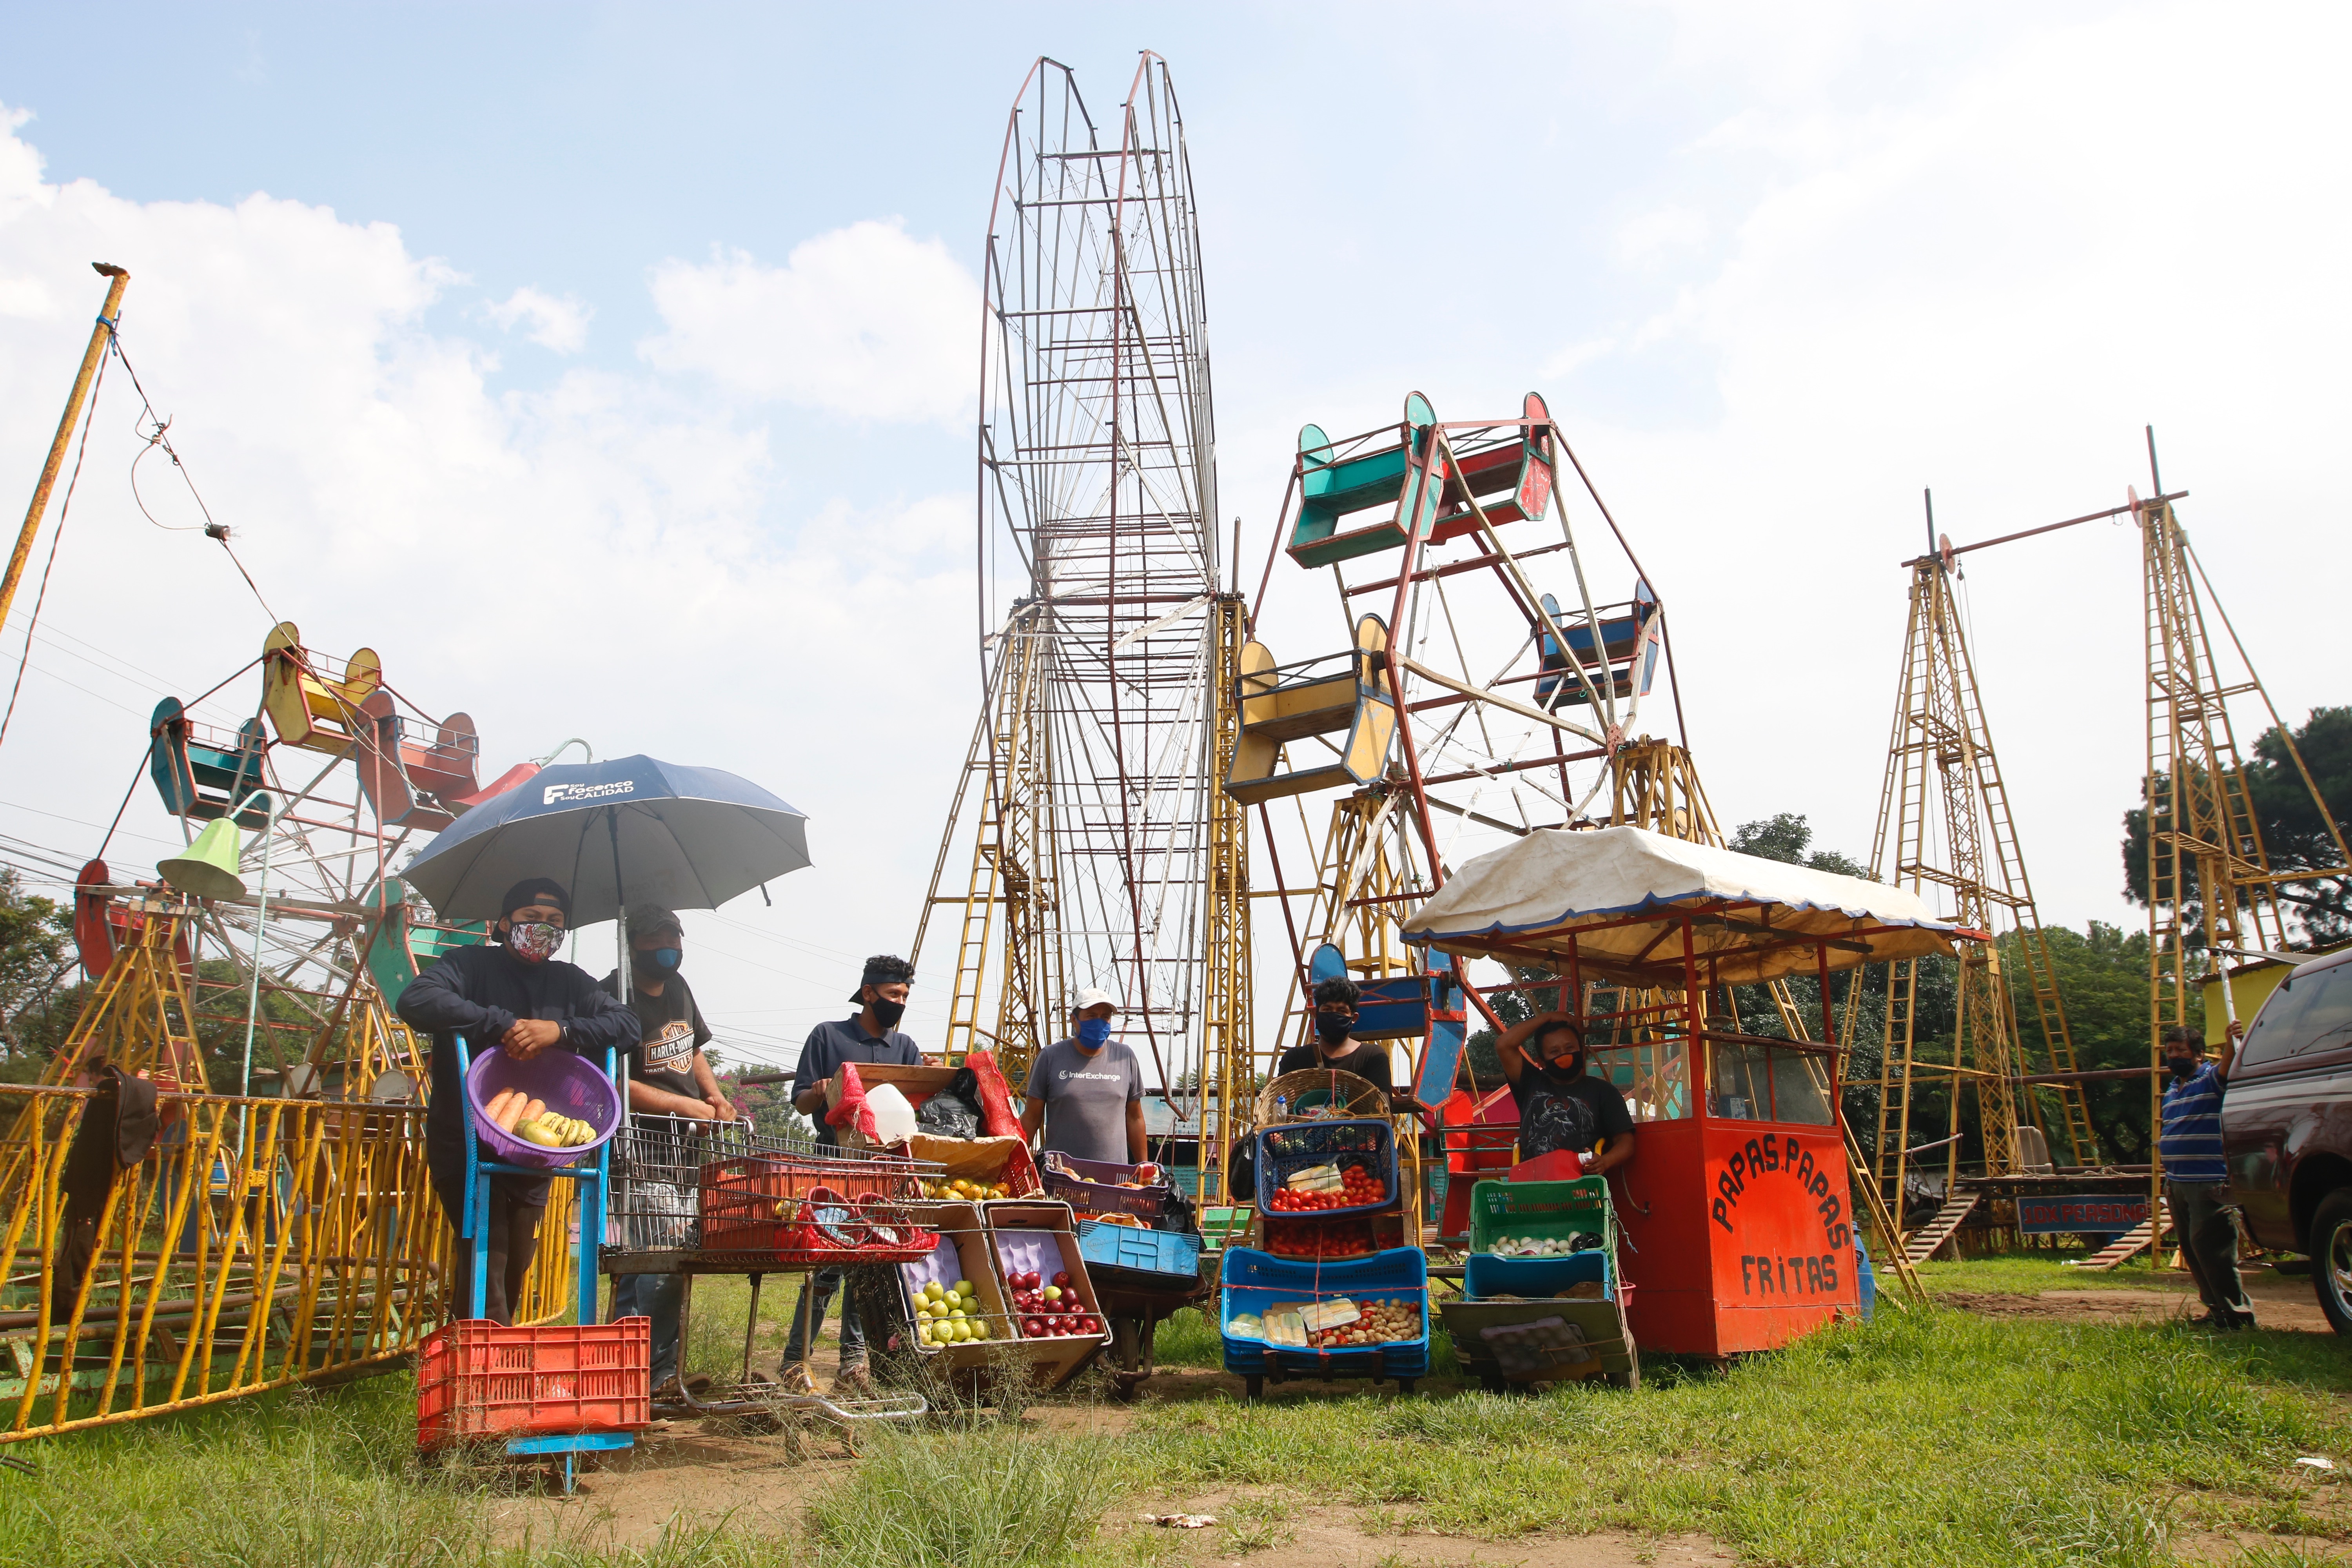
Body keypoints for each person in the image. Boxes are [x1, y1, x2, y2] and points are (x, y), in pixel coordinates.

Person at [397, 877, 639, 1325]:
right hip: (466, 1137)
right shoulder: (468, 966)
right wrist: (501, 1024)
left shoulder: (570, 982)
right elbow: (416, 1000)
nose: (542, 929)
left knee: (515, 1260)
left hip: (534, 1147)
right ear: (505, 923)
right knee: (488, 1251)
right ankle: (488, 1371)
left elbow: (625, 1025)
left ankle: (468, 1353)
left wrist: (562, 1031)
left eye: (555, 922)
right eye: (531, 919)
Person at [601, 902, 736, 1397]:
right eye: (658, 938)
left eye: (675, 938)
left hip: (682, 1153)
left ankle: (623, 1371)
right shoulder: (612, 996)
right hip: (638, 1146)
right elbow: (610, 1083)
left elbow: (692, 1048)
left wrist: (713, 1095)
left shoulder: (678, 989)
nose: (669, 948)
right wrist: (685, 1107)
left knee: (645, 1266)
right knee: (662, 1260)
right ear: (632, 943)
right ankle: (656, 1374)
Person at [779, 955, 924, 1395]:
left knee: (873, 1268)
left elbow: (917, 1105)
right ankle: (793, 1362)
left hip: (883, 1175)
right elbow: (801, 1101)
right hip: (834, 1174)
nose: (899, 1003)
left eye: (904, 996)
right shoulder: (829, 1036)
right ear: (868, 993)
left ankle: (853, 1365)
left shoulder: (905, 1048)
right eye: (893, 995)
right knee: (826, 1271)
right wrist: (820, 1091)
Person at [2161, 1019, 2254, 1329]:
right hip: (2177, 1183)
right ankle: (2216, 1310)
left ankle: (2237, 1315)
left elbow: (2227, 1069)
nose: (2174, 1056)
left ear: (2199, 1054)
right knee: (2193, 1250)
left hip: (2208, 1181)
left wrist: (2230, 1041)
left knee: (2214, 1249)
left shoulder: (2210, 1079)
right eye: (2169, 1051)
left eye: (2180, 1050)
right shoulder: (2173, 1089)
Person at [1495, 1009, 1635, 1177]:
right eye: (1555, 1052)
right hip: (1532, 1185)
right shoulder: (1530, 1082)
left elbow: (1626, 1141)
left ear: (1581, 1051)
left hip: (1581, 1188)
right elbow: (1504, 1045)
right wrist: (1547, 1016)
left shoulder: (1604, 1092)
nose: (1564, 1055)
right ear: (1542, 1062)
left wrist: (1605, 1161)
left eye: (1570, 1048)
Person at [1021, 986, 1147, 1166]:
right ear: (1074, 1019)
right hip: (1061, 1177)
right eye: (1092, 1016)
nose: (1099, 1022)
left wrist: (1145, 1166)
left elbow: (1135, 1118)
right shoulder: (1051, 1057)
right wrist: (1016, 1164)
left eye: (1105, 1017)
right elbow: (1032, 1118)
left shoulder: (1125, 1057)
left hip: (1114, 1179)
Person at [1274, 976, 1396, 1105]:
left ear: (1354, 1018)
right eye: (1327, 1010)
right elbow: (1280, 1103)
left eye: (1342, 1011)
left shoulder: (1373, 1057)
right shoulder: (1294, 1059)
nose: (1334, 1015)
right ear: (1316, 1014)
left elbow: (1383, 1105)